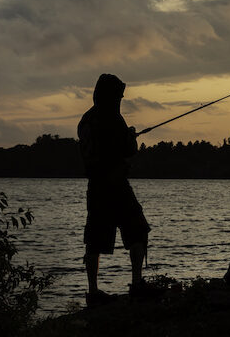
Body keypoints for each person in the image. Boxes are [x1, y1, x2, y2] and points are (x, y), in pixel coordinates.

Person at [78, 74, 160, 306]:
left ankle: (93, 292)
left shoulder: (86, 120)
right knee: (138, 229)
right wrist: (131, 136)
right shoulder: (112, 117)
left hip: (95, 186)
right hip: (116, 185)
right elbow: (128, 150)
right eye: (118, 96)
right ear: (109, 95)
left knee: (94, 239)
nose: (120, 100)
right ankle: (137, 284)